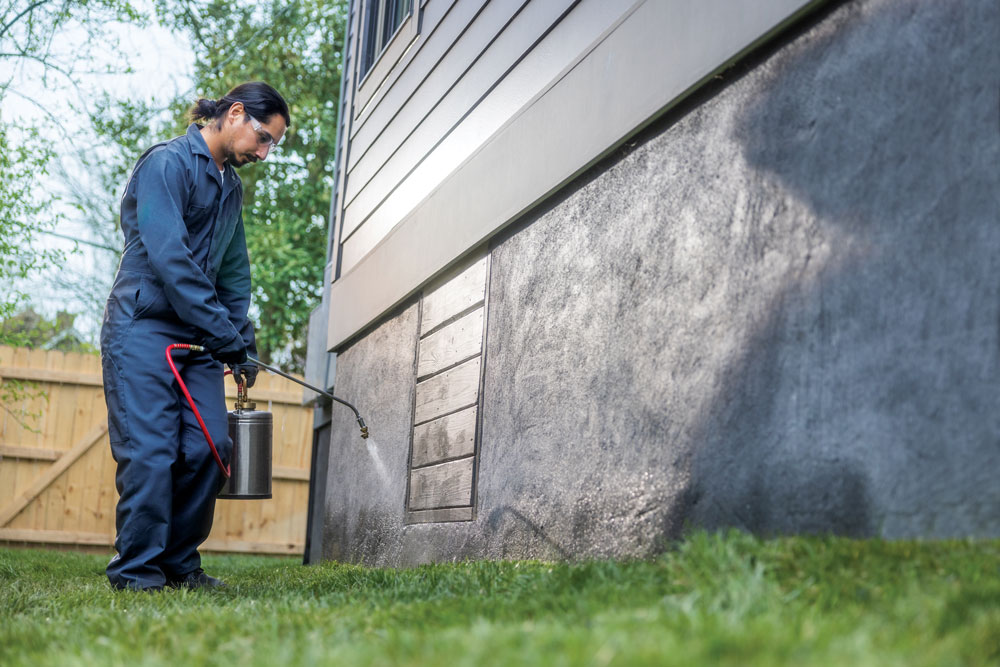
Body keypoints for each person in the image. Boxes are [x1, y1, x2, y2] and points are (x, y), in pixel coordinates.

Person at [100, 82, 289, 591]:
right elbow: (171, 261)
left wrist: (241, 341)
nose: (265, 153)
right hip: (143, 327)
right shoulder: (167, 165)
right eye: (263, 138)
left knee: (210, 447)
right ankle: (137, 572)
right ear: (234, 114)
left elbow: (233, 274)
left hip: (199, 338)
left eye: (273, 144)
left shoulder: (232, 188)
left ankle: (179, 564)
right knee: (150, 451)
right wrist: (221, 332)